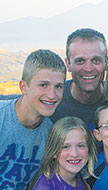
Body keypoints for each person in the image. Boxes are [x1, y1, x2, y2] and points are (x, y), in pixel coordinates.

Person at [0, 49, 66, 189]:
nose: (52, 95)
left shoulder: (50, 134)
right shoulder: (2, 118)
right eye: (43, 85)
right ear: (24, 87)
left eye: (58, 86)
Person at [50, 28, 108, 131]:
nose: (89, 69)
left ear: (106, 62)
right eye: (80, 61)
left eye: (96, 60)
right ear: (68, 64)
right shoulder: (52, 101)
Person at [29, 117, 98, 190]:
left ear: (89, 149)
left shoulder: (81, 180)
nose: (74, 154)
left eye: (80, 146)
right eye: (65, 147)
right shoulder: (45, 187)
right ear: (54, 152)